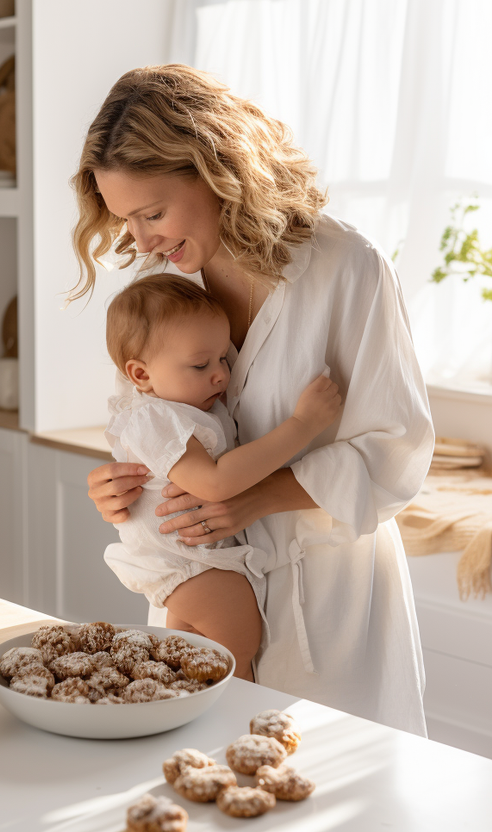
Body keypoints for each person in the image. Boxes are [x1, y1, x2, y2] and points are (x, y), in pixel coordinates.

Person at [70, 64, 435, 736]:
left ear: (215, 169)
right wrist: (120, 483)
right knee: (196, 785)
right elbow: (147, 416)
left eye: (153, 212)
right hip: (199, 589)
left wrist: (256, 497)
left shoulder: (345, 267)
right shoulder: (170, 276)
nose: (143, 240)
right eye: (127, 220)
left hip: (327, 608)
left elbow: (398, 456)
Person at [103, 273, 341, 681]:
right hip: (194, 564)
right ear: (141, 375)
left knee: (184, 675)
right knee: (236, 662)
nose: (219, 375)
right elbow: (214, 483)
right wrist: (303, 424)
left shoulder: (182, 409)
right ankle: (241, 732)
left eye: (223, 360)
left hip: (192, 563)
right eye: (201, 364)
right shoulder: (155, 417)